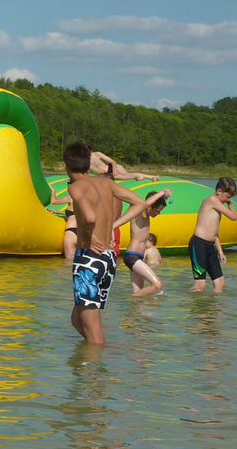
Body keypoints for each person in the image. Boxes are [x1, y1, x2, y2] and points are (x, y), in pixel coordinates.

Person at [65, 142, 150, 345]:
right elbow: (140, 203)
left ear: (66, 166)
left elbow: (90, 217)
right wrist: (113, 225)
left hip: (89, 259)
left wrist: (87, 236)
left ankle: (98, 371)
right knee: (77, 320)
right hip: (108, 259)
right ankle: (95, 360)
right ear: (87, 164)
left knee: (93, 330)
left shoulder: (75, 187)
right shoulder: (105, 183)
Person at [188, 177, 237, 293]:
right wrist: (231, 204)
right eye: (228, 197)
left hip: (210, 246)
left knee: (220, 282)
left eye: (230, 198)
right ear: (219, 191)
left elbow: (214, 232)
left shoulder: (218, 205)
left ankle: (214, 310)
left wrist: (220, 251)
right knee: (200, 286)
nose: (228, 200)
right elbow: (233, 217)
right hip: (198, 244)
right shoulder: (212, 200)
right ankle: (185, 302)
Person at [121, 190, 172, 297]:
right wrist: (162, 192)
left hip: (138, 257)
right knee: (157, 285)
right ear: (149, 207)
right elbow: (146, 203)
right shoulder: (141, 212)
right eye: (157, 211)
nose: (158, 214)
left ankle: (133, 312)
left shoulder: (146, 214)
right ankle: (129, 299)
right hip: (132, 256)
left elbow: (150, 203)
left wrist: (163, 198)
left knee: (139, 295)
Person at [89, 150, 158, 182]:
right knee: (129, 176)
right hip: (107, 174)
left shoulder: (97, 154)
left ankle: (151, 177)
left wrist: (114, 171)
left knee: (127, 175)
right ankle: (149, 177)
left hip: (112, 169)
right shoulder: (86, 161)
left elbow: (113, 162)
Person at [51, 186, 78, 262]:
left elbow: (53, 201)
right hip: (82, 233)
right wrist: (58, 212)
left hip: (71, 232)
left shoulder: (72, 197)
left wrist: (53, 191)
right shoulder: (87, 198)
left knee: (69, 263)